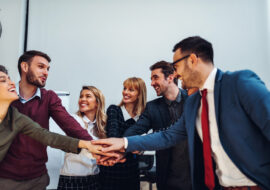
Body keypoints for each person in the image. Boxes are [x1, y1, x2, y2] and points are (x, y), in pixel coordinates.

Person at [93, 36, 270, 190]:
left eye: (176, 66)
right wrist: (123, 143)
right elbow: (168, 136)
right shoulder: (194, 103)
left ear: (193, 59)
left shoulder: (240, 83)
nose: (175, 73)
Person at [0, 51, 95, 190]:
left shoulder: (48, 98)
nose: (46, 72)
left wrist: (93, 145)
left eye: (48, 69)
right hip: (6, 179)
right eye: (40, 66)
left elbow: (64, 127)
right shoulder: (7, 97)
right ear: (25, 67)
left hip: (37, 178)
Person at [0, 65, 108, 167]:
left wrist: (90, 146)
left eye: (9, 79)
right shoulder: (74, 120)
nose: (13, 83)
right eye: (3, 80)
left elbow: (49, 137)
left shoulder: (17, 118)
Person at [123, 61, 192, 190]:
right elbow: (134, 130)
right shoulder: (152, 107)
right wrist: (134, 145)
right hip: (167, 179)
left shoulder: (192, 99)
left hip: (196, 177)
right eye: (151, 79)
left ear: (170, 77)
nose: (152, 83)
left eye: (156, 78)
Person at [99, 77, 147, 190]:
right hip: (111, 170)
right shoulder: (114, 110)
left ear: (140, 94)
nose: (125, 92)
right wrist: (134, 145)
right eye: (125, 88)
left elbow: (144, 143)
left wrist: (140, 148)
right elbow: (113, 138)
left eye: (131, 90)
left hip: (132, 171)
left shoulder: (143, 117)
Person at [57, 86, 107, 190]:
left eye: (88, 96)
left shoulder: (102, 126)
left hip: (94, 178)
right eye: (81, 96)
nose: (82, 99)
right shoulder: (73, 120)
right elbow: (64, 144)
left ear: (97, 102)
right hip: (72, 178)